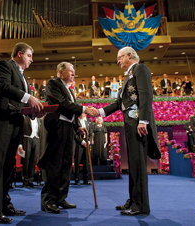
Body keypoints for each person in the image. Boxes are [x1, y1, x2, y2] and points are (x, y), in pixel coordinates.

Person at [0, 42, 44, 223]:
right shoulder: (3, 65)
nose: (31, 60)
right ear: (19, 54)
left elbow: (20, 103)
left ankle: (4, 205)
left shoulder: (23, 78)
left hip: (14, 123)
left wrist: (34, 110)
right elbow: (2, 87)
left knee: (7, 168)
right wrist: (29, 98)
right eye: (29, 56)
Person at [97, 46, 160, 216]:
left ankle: (141, 205)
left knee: (138, 165)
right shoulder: (128, 77)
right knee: (133, 164)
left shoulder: (141, 69)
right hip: (131, 125)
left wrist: (143, 120)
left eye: (119, 57)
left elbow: (146, 95)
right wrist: (100, 112)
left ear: (129, 56)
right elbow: (119, 103)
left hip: (139, 125)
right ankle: (133, 200)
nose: (117, 61)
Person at [38, 62, 98, 214]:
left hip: (68, 129)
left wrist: (77, 125)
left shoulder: (70, 89)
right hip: (56, 128)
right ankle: (49, 200)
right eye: (70, 71)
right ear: (60, 72)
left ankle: (60, 197)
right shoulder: (53, 84)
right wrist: (85, 109)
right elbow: (62, 104)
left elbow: (71, 110)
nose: (73, 74)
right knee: (54, 164)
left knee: (66, 164)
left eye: (74, 71)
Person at [21, 115, 41, 188]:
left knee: (33, 161)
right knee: (26, 161)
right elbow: (21, 131)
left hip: (36, 140)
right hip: (27, 139)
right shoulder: (24, 118)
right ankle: (25, 181)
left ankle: (31, 180)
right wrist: (20, 144)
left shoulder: (39, 120)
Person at [74, 113, 92, 185]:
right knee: (77, 161)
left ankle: (86, 179)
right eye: (82, 113)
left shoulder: (89, 121)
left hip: (87, 144)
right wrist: (82, 142)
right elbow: (74, 133)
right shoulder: (76, 121)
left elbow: (90, 132)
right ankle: (77, 179)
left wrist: (88, 142)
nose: (84, 114)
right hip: (78, 144)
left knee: (86, 161)